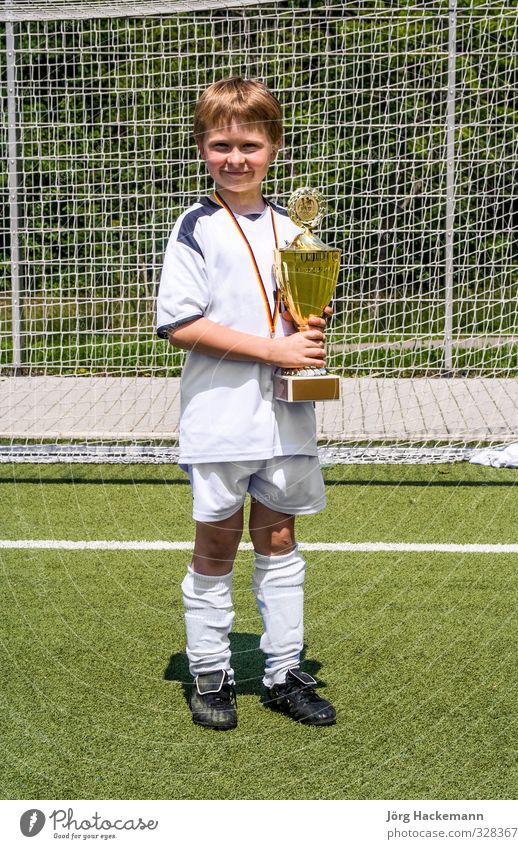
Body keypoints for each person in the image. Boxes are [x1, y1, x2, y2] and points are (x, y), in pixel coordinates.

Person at [156, 76, 336, 730]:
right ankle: (211, 673)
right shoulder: (195, 226)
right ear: (202, 148)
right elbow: (180, 324)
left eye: (249, 145)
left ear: (274, 148)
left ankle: (284, 672)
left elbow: (298, 321)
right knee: (216, 545)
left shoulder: (297, 232)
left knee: (280, 537)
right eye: (220, 144)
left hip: (286, 417)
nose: (235, 157)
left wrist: (310, 330)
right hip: (220, 419)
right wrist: (273, 352)